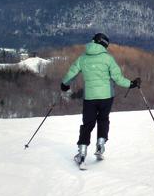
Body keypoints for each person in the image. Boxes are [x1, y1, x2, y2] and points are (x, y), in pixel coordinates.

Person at [60, 33, 141, 166]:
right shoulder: (108, 59)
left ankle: (82, 152)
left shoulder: (82, 59)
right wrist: (132, 84)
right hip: (106, 97)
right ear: (104, 44)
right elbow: (118, 79)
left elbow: (71, 73)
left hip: (90, 98)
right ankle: (100, 146)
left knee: (88, 124)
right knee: (103, 120)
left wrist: (65, 84)